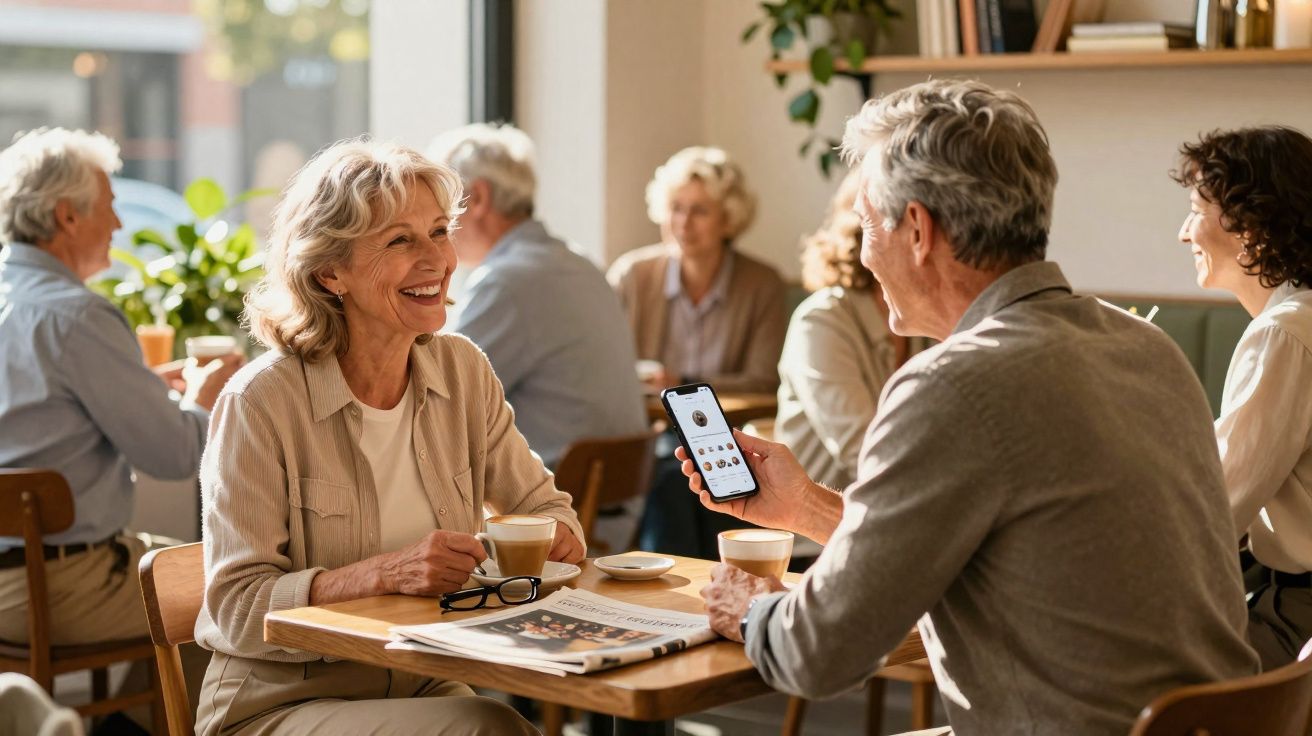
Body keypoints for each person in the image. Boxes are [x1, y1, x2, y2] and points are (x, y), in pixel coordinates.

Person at [679, 80, 1258, 735]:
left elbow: (817, 655)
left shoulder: (951, 385)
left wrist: (750, 607)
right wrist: (806, 505)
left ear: (918, 229)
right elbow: (995, 554)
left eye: (869, 225)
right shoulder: (1148, 349)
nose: (865, 253)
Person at [192, 139, 585, 735]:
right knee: (490, 730)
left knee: (501, 727)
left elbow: (548, 509)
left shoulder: (462, 369)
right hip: (277, 704)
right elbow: (237, 607)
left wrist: (551, 542)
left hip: (422, 678)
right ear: (329, 271)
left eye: (438, 231)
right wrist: (381, 574)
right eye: (400, 240)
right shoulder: (261, 401)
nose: (437, 260)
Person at [0, 128, 242, 647]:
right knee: (237, 590)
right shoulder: (78, 316)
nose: (119, 222)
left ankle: (129, 720)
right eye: (108, 206)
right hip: (54, 588)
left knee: (193, 570)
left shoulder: (19, 301)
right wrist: (202, 394)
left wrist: (142, 388)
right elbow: (176, 455)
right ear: (67, 215)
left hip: (17, 579)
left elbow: (34, 411)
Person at [426, 124, 646, 472]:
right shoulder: (579, 263)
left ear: (478, 198)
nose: (433, 225)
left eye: (439, 205)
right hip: (614, 504)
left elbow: (441, 398)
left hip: (551, 506)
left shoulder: (506, 282)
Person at [1172, 126, 1312, 669]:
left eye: (1194, 210)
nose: (1184, 234)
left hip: (1297, 619)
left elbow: (1214, 510)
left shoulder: (1285, 334)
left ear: (1251, 227)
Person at [607, 145, 786, 394]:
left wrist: (681, 384)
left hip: (728, 428)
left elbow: (763, 381)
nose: (683, 223)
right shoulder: (631, 275)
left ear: (728, 219)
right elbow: (603, 366)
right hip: (644, 429)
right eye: (676, 208)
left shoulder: (764, 284)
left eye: (700, 211)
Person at [776, 168, 902, 490]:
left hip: (898, 516)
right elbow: (865, 456)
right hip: (821, 534)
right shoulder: (820, 322)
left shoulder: (918, 317)